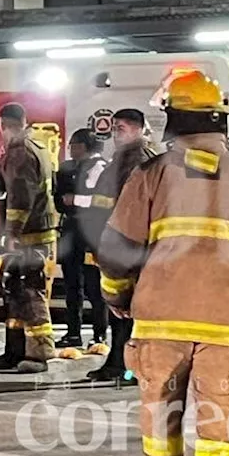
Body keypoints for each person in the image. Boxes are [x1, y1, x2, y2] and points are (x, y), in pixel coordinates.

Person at [98, 70, 229, 456]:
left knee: (160, 424)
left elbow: (117, 249)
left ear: (174, 119)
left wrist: (117, 296)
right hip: (226, 325)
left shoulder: (151, 174)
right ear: (218, 119)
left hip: (160, 324)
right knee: (219, 433)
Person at [80, 108, 160, 383]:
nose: (116, 133)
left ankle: (131, 367)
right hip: (115, 245)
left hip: (133, 249)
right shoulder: (120, 160)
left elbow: (135, 211)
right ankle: (117, 362)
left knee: (131, 311)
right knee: (118, 310)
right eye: (114, 128)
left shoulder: (141, 161)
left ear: (139, 130)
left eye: (122, 128)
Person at [0, 103, 58, 374]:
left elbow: (20, 197)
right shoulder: (35, 147)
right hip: (36, 232)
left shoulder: (21, 152)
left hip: (29, 236)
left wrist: (11, 234)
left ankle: (39, 353)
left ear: (2, 124)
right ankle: (15, 351)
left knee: (30, 291)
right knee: (15, 291)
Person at [56, 128, 108, 349]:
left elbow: (104, 201)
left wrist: (75, 199)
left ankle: (99, 334)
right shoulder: (68, 168)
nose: (71, 149)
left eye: (74, 145)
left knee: (94, 286)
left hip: (92, 233)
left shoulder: (101, 168)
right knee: (71, 285)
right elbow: (59, 198)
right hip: (71, 231)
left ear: (85, 146)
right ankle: (73, 333)